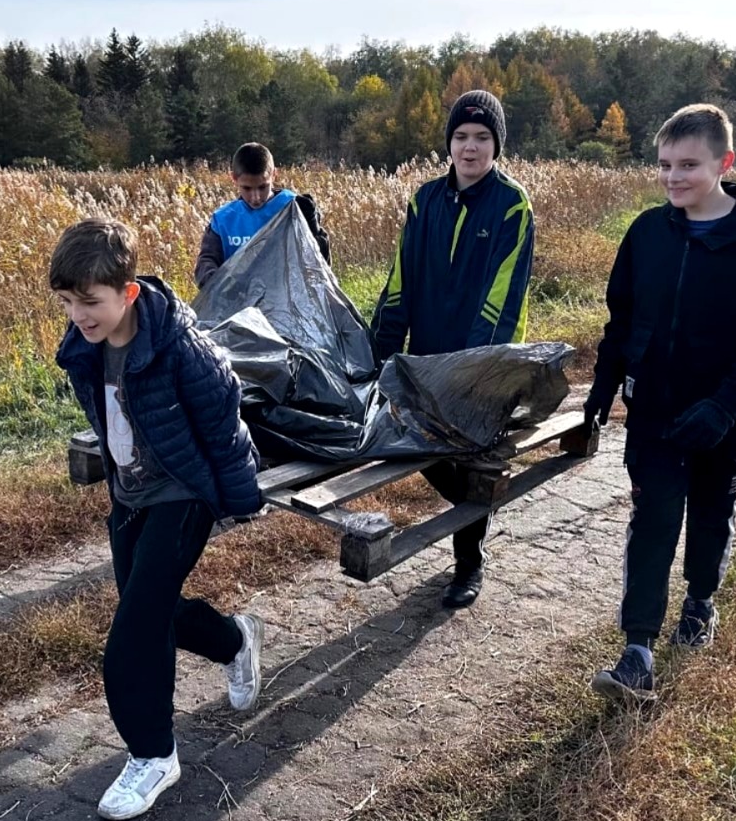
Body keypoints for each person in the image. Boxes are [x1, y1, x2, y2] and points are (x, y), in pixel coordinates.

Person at [50, 218, 266, 820]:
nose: (78, 315)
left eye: (89, 302)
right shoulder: (85, 348)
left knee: (134, 632)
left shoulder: (179, 346)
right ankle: (235, 640)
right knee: (156, 610)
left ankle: (152, 756)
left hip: (184, 492)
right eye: (67, 303)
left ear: (128, 292)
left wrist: (238, 497)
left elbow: (223, 419)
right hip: (132, 494)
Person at [583, 103, 736, 705]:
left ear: (725, 163)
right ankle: (637, 653)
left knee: (707, 518)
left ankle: (701, 603)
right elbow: (622, 320)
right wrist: (603, 387)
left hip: (723, 420)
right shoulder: (648, 233)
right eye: (665, 166)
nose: (674, 178)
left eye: (689, 165)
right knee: (653, 519)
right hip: (653, 407)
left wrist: (727, 406)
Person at [369, 89, 535, 609]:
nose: (470, 147)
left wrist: (473, 370)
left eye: (482, 137)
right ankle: (476, 505)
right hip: (426, 358)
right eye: (461, 136)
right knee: (425, 451)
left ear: (496, 145)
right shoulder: (424, 201)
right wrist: (381, 349)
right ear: (449, 143)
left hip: (485, 363)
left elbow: (502, 299)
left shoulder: (512, 207)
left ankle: (469, 562)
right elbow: (401, 281)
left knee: (470, 456)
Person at [193, 141, 332, 289]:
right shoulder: (224, 220)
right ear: (233, 178)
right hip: (238, 303)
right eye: (247, 188)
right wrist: (218, 283)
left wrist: (313, 230)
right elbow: (206, 262)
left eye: (262, 187)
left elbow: (322, 266)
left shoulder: (293, 207)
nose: (256, 197)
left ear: (273, 175)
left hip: (287, 300)